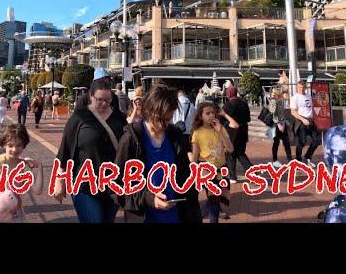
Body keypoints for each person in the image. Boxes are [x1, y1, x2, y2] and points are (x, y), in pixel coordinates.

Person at [115, 84, 202, 223]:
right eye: (160, 119)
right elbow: (116, 187)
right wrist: (147, 198)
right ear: (148, 111)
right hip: (144, 217)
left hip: (176, 216)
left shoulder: (175, 137)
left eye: (168, 119)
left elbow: (186, 179)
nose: (164, 125)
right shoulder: (131, 139)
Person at [53, 78, 127, 223]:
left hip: (113, 185)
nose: (104, 104)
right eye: (100, 100)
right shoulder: (79, 118)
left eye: (108, 100)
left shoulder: (119, 118)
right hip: (85, 185)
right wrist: (59, 181)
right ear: (91, 97)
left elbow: (127, 149)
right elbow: (64, 151)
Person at [190, 102, 236, 223]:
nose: (211, 115)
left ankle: (203, 212)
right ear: (201, 116)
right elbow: (195, 156)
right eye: (207, 113)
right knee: (214, 201)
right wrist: (193, 173)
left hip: (222, 169)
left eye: (213, 112)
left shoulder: (220, 128)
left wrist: (220, 131)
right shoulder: (197, 133)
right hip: (206, 170)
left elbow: (230, 149)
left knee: (219, 198)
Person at [223, 85, 253, 182]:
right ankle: (251, 172)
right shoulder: (244, 103)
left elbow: (223, 119)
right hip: (243, 131)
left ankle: (232, 177)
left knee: (230, 154)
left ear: (229, 94)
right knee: (240, 153)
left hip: (231, 133)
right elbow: (248, 119)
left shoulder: (228, 105)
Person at [290, 80, 321, 167]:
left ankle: (307, 157)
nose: (301, 89)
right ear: (297, 87)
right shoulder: (295, 97)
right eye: (300, 88)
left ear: (306, 88)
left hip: (311, 121)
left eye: (303, 88)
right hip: (301, 122)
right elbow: (293, 112)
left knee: (316, 141)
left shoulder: (309, 96)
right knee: (302, 142)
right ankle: (298, 159)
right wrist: (303, 119)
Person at [270, 85, 292, 169]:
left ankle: (290, 161)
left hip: (282, 123)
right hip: (277, 125)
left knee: (286, 142)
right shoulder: (274, 101)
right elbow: (272, 113)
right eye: (281, 92)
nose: (283, 94)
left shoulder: (281, 100)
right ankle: (274, 160)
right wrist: (279, 124)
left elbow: (282, 113)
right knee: (276, 143)